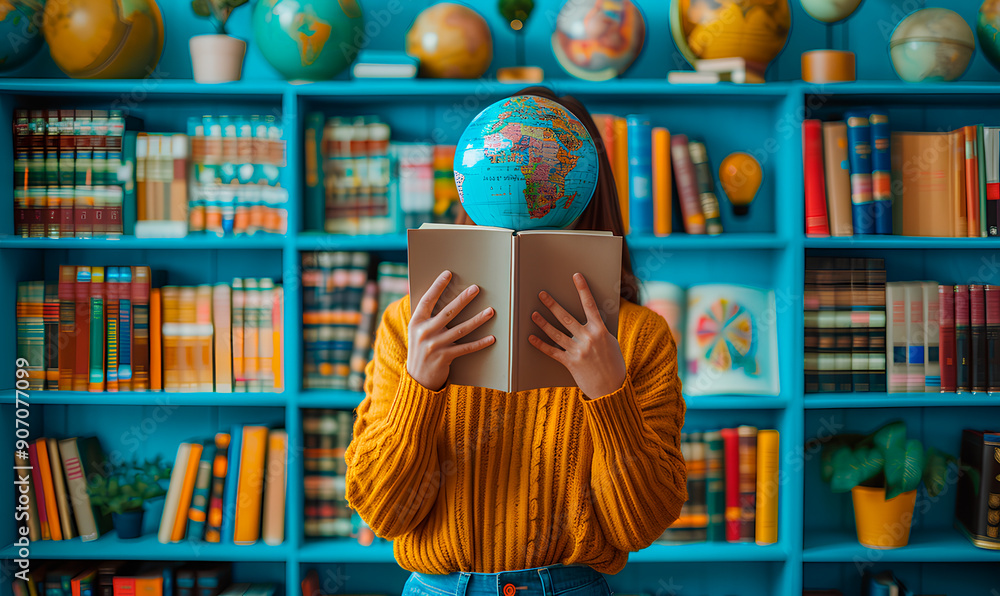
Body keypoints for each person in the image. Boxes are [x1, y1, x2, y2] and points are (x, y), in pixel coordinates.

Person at [344, 86, 687, 596]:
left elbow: (638, 527)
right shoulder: (408, 325)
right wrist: (420, 386)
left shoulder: (640, 338)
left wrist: (609, 394)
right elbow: (383, 512)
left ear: (587, 188)